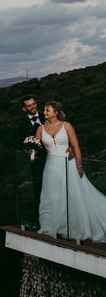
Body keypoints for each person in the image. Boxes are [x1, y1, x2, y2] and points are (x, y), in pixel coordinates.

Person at [36, 101, 106, 241]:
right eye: (44, 110)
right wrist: (30, 150)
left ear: (56, 112)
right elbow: (36, 149)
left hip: (68, 163)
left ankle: (77, 226)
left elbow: (76, 146)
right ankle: (53, 226)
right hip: (51, 166)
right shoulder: (40, 129)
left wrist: (79, 166)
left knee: (75, 194)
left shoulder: (66, 125)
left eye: (47, 110)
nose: (44, 113)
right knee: (53, 196)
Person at [18, 96, 47, 222]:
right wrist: (27, 150)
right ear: (24, 109)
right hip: (36, 162)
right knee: (39, 189)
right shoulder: (20, 122)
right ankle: (39, 219)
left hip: (52, 157)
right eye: (29, 105)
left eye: (34, 103)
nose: (33, 106)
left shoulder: (45, 116)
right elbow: (18, 141)